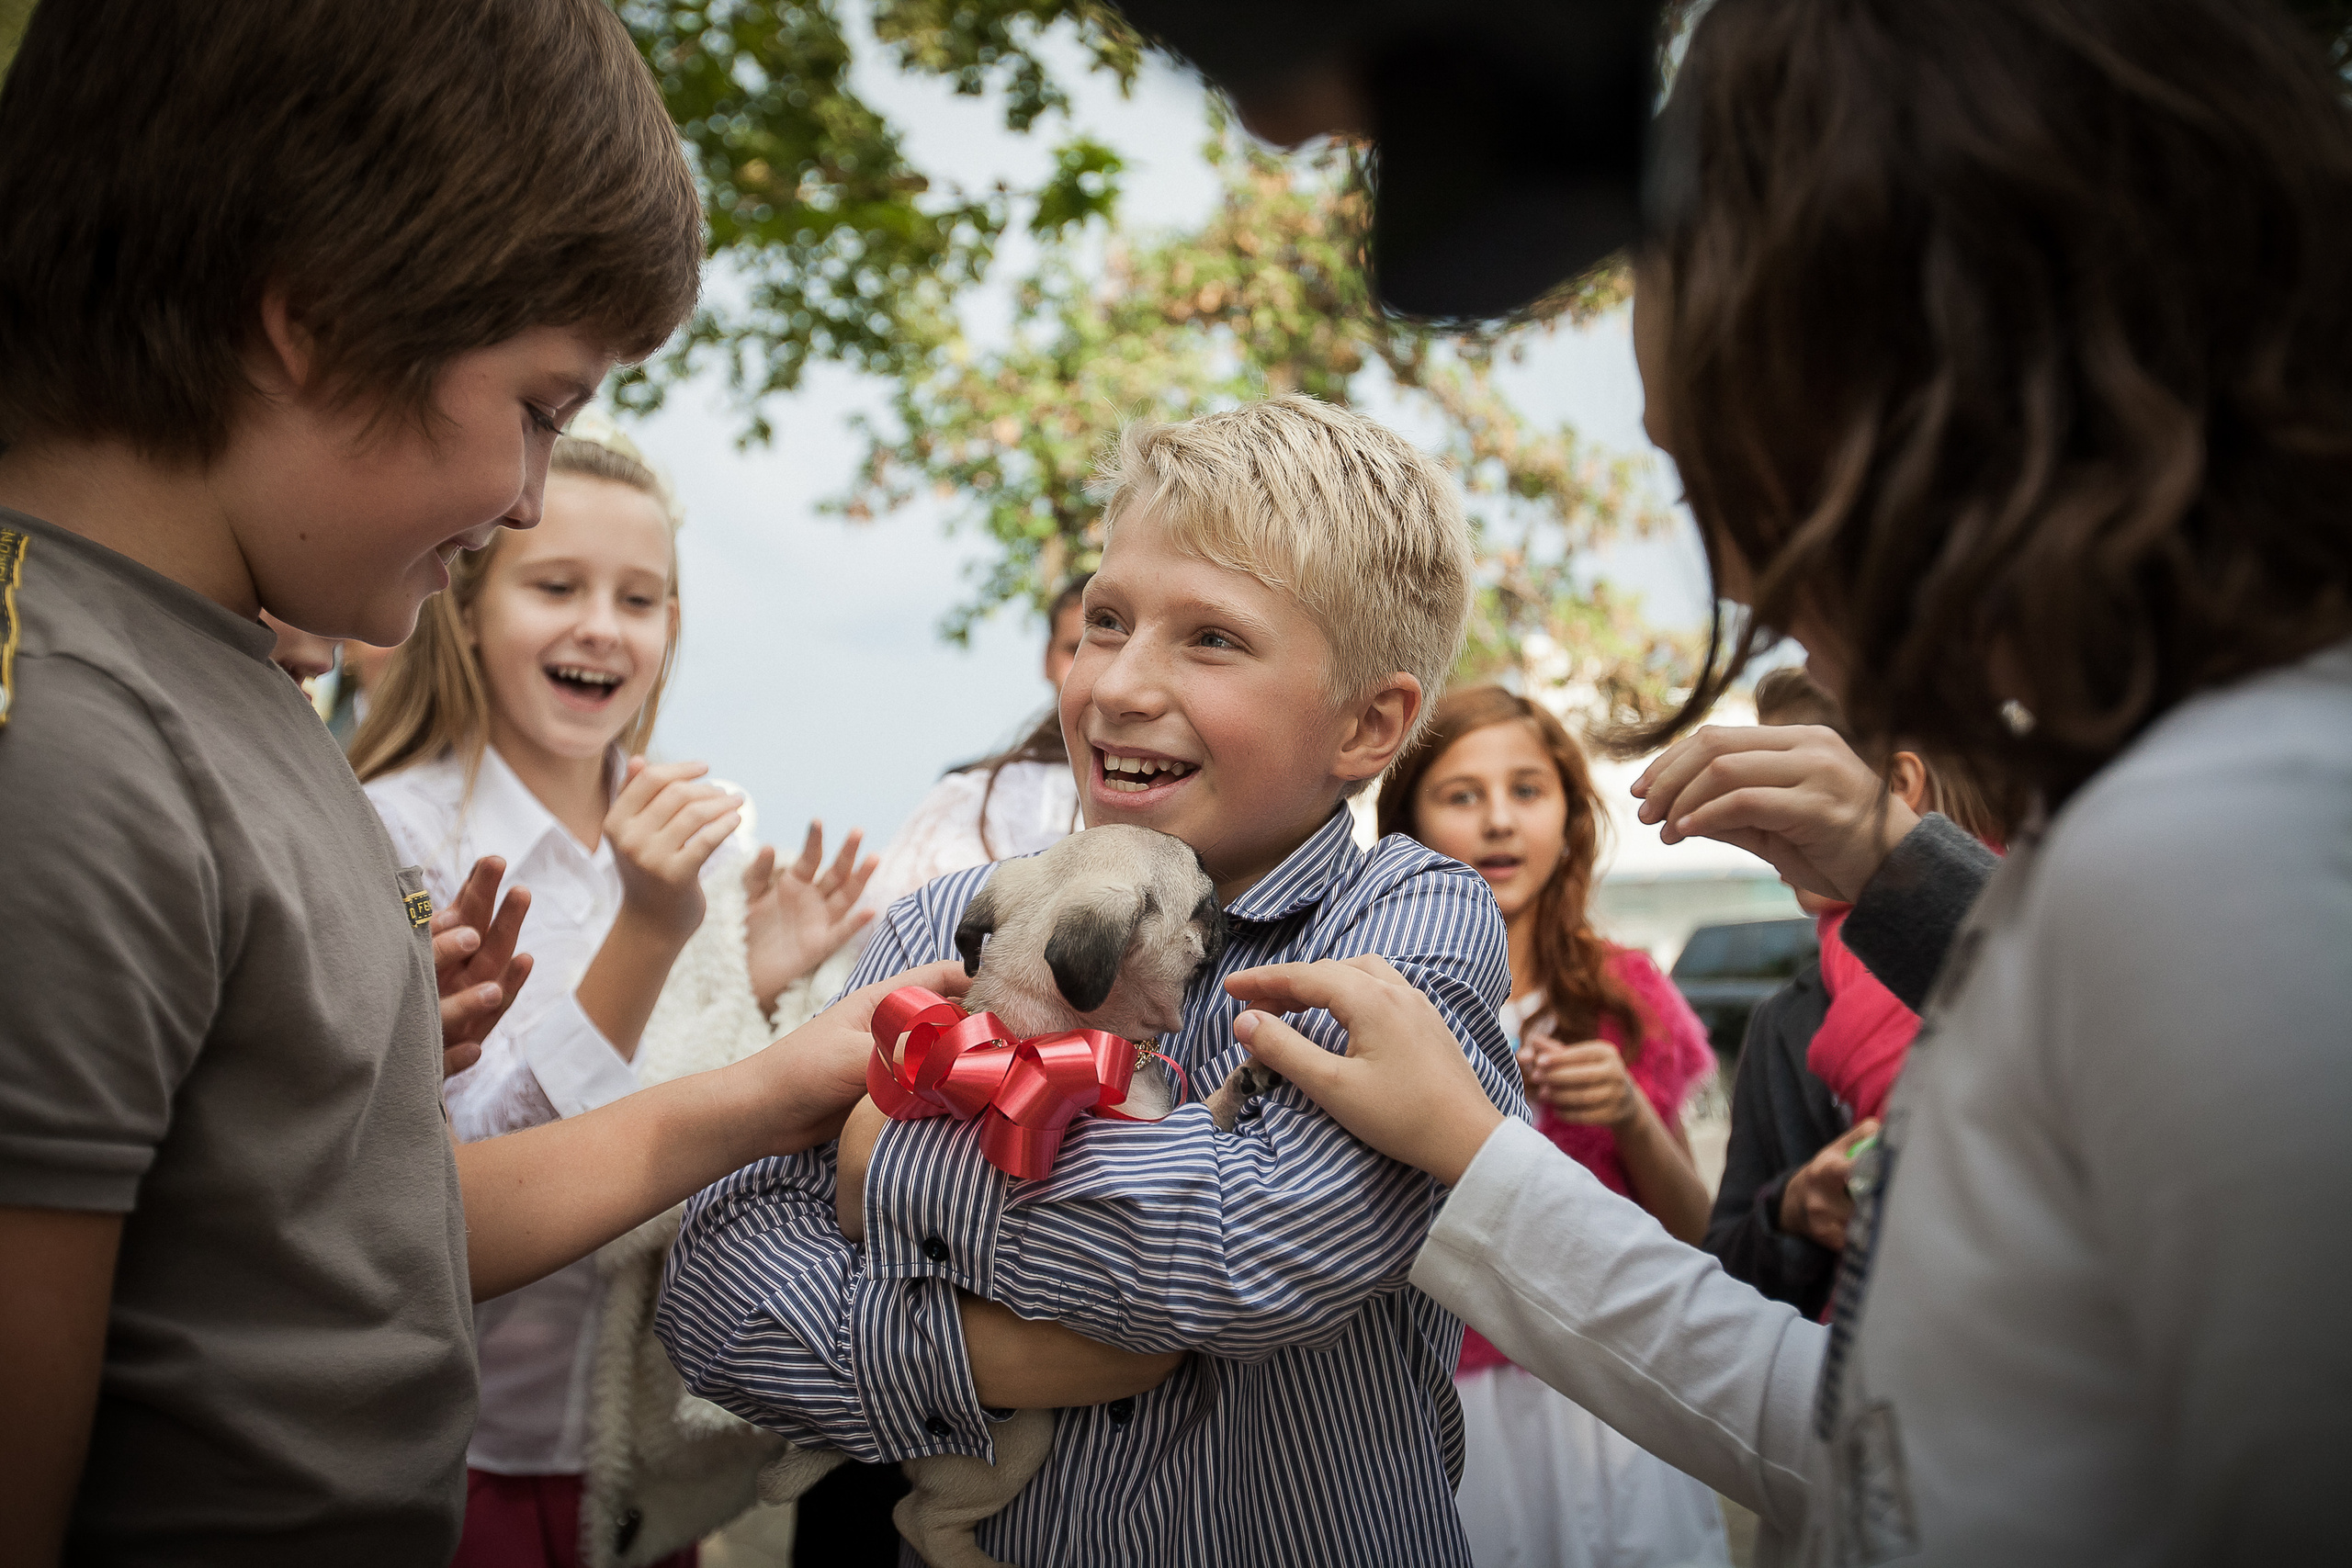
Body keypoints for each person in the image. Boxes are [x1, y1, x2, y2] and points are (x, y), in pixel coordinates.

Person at [1225, 2, 2352, 1562]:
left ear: (1922, 382)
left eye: (1723, 475)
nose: (1747, 569)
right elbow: (1889, 1449)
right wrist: (1477, 1164)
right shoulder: (2190, 826)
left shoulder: (2209, 860)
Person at [0, 5, 952, 1562]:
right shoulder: (59, 747)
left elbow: (369, 1240)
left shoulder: (221, 691)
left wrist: (775, 1085)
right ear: (316, 317)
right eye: (540, 408)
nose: (522, 500)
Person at [658, 395, 1528, 1567]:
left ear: (1369, 726)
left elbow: (1249, 1253)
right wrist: (985, 1359)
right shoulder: (947, 921)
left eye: (1209, 639)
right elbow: (715, 1289)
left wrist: (889, 1152)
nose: (1115, 684)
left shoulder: (1406, 926)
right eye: (1105, 622)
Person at [353, 420, 875, 1567]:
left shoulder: (701, 841)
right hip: (448, 1453)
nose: (600, 624)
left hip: (629, 1474)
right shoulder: (394, 836)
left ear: (669, 631)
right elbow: (445, 1195)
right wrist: (650, 935)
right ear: (469, 602)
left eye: (639, 599)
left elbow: (713, 1136)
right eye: (556, 585)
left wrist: (747, 982)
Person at [1380, 683, 1725, 1568]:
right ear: (1408, 821)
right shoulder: (1382, 1005)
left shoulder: (1626, 995)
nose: (1500, 821)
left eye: (1528, 790)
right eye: (1463, 794)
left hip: (1614, 1399)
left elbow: (1697, 1235)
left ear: (1571, 815)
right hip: (1444, 1411)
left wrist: (1632, 1118)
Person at [1701, 670, 2007, 1318]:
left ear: (1897, 785)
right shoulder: (1788, 1021)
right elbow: (1726, 1269)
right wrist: (1792, 1208)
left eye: (1783, 787)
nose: (1761, 818)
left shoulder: (2035, 939)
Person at [858, 573, 1091, 917]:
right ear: (1047, 659)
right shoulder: (968, 795)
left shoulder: (1180, 797)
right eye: (1075, 649)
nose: (1091, 670)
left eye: (1110, 646)